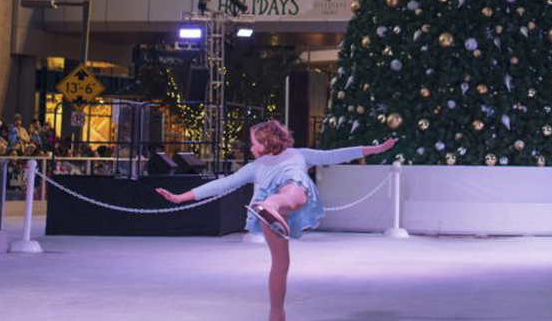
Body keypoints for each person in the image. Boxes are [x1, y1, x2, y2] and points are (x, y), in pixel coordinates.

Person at [156, 120, 398, 321]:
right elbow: (221, 184)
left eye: (252, 144)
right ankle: (272, 212)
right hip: (285, 201)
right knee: (282, 252)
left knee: (280, 254)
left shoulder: (290, 157)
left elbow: (333, 155)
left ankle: (276, 312)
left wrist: (371, 149)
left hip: (277, 201)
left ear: (265, 143)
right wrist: (182, 196)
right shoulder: (281, 159)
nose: (250, 149)